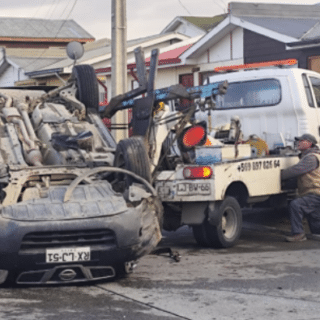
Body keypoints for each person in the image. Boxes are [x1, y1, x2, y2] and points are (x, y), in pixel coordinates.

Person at [281, 133, 320, 242]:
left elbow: (296, 170)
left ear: (309, 143)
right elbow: (301, 177)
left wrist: (279, 175)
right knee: (316, 225)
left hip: (315, 194)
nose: (298, 142)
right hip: (314, 194)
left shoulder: (311, 158)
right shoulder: (310, 156)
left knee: (296, 205)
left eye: (301, 140)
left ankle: (298, 234)